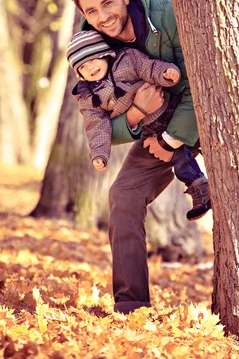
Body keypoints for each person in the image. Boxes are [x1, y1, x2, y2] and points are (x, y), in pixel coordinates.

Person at [71, 0, 211, 314]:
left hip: (205, 115)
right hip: (152, 124)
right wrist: (135, 114)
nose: (102, 16)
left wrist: (171, 138)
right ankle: (131, 305)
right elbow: (100, 123)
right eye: (91, 11)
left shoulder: (168, 15)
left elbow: (200, 83)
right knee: (123, 195)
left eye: (107, 3)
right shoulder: (94, 49)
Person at [66, 29, 205, 221]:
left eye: (92, 60)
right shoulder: (89, 97)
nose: (90, 68)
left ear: (105, 54)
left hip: (169, 108)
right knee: (178, 157)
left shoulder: (126, 60)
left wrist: (164, 73)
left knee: (198, 138)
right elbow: (96, 126)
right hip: (151, 130)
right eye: (82, 67)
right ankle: (199, 187)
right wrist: (99, 154)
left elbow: (148, 68)